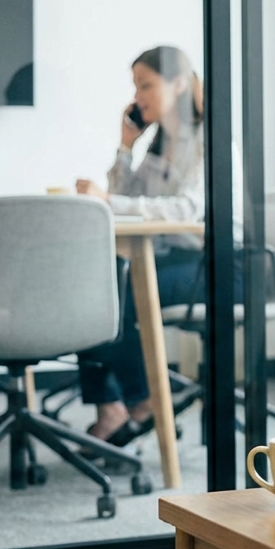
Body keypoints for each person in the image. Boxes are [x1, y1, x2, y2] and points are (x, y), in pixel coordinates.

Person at [75, 45, 240, 445]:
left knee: (121, 292)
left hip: (217, 264)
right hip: (173, 258)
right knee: (88, 288)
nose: (138, 96)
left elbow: (188, 208)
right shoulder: (157, 143)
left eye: (146, 84)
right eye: (135, 86)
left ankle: (147, 398)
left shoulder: (208, 139)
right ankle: (112, 405)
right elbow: (124, 199)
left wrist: (109, 201)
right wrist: (125, 146)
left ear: (179, 84)